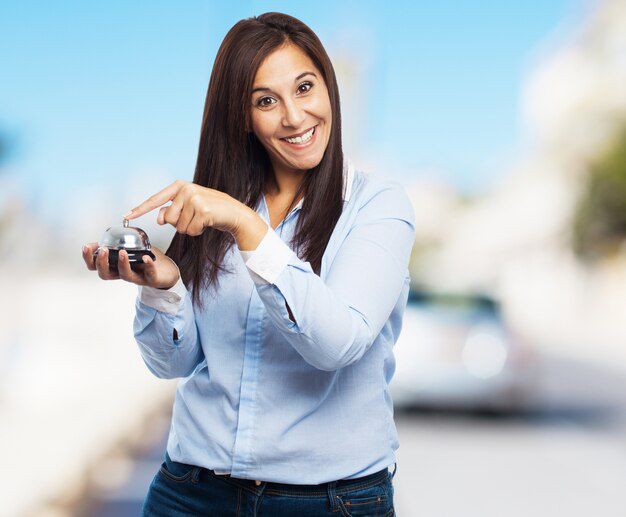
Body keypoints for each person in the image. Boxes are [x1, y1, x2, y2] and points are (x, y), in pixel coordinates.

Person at [82, 11, 414, 516]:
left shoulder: (378, 205)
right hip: (190, 492)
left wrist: (248, 228)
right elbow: (173, 364)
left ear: (330, 89)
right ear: (241, 115)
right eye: (266, 101)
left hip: (329, 502)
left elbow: (338, 342)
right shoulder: (220, 208)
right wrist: (164, 288)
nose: (294, 117)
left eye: (305, 88)